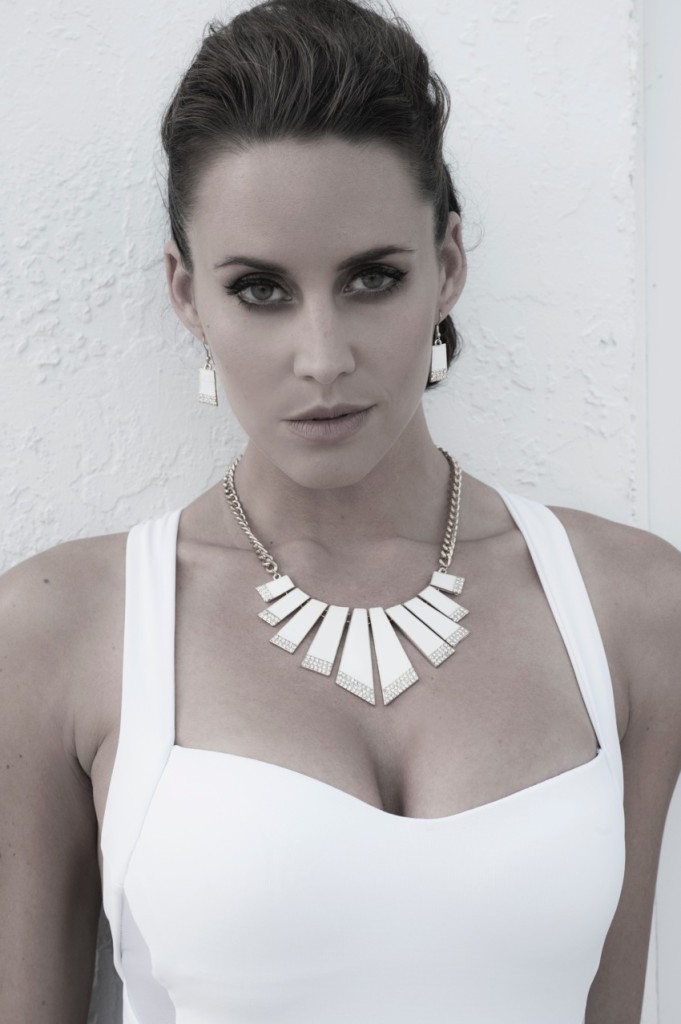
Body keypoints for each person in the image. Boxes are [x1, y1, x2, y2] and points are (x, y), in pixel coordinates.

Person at [1, 0, 680, 1021]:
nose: (322, 358)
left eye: (371, 278)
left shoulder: (634, 608)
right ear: (186, 294)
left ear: (448, 265)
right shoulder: (64, 628)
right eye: (260, 289)